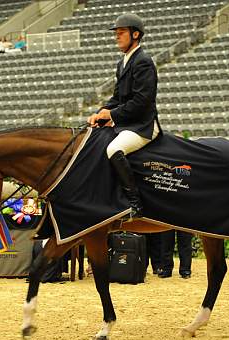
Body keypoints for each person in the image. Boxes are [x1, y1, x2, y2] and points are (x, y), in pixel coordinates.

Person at [87, 14, 162, 218]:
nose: (116, 37)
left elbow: (141, 102)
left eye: (121, 33)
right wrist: (100, 113)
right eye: (116, 34)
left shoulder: (143, 62)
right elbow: (118, 97)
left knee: (113, 148)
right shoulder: (123, 63)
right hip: (128, 122)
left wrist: (111, 114)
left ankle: (135, 203)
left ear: (135, 34)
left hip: (143, 125)